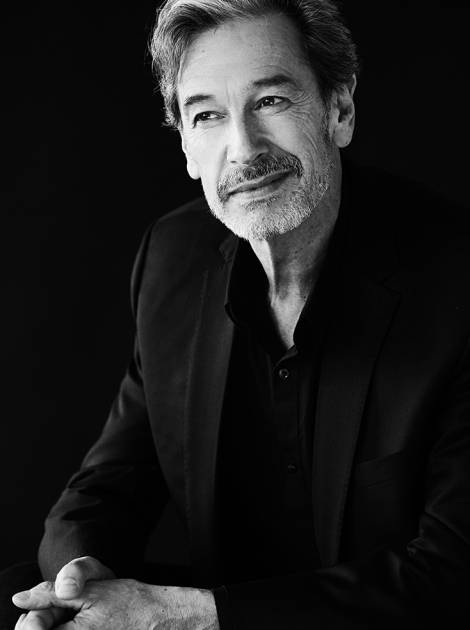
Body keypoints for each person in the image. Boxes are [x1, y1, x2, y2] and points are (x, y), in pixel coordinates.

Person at [8, 0, 470, 628]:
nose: (243, 148)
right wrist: (75, 585)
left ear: (339, 110)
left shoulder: (458, 282)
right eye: (207, 115)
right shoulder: (173, 258)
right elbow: (108, 483)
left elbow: (451, 576)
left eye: (270, 102)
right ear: (187, 148)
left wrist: (194, 616)